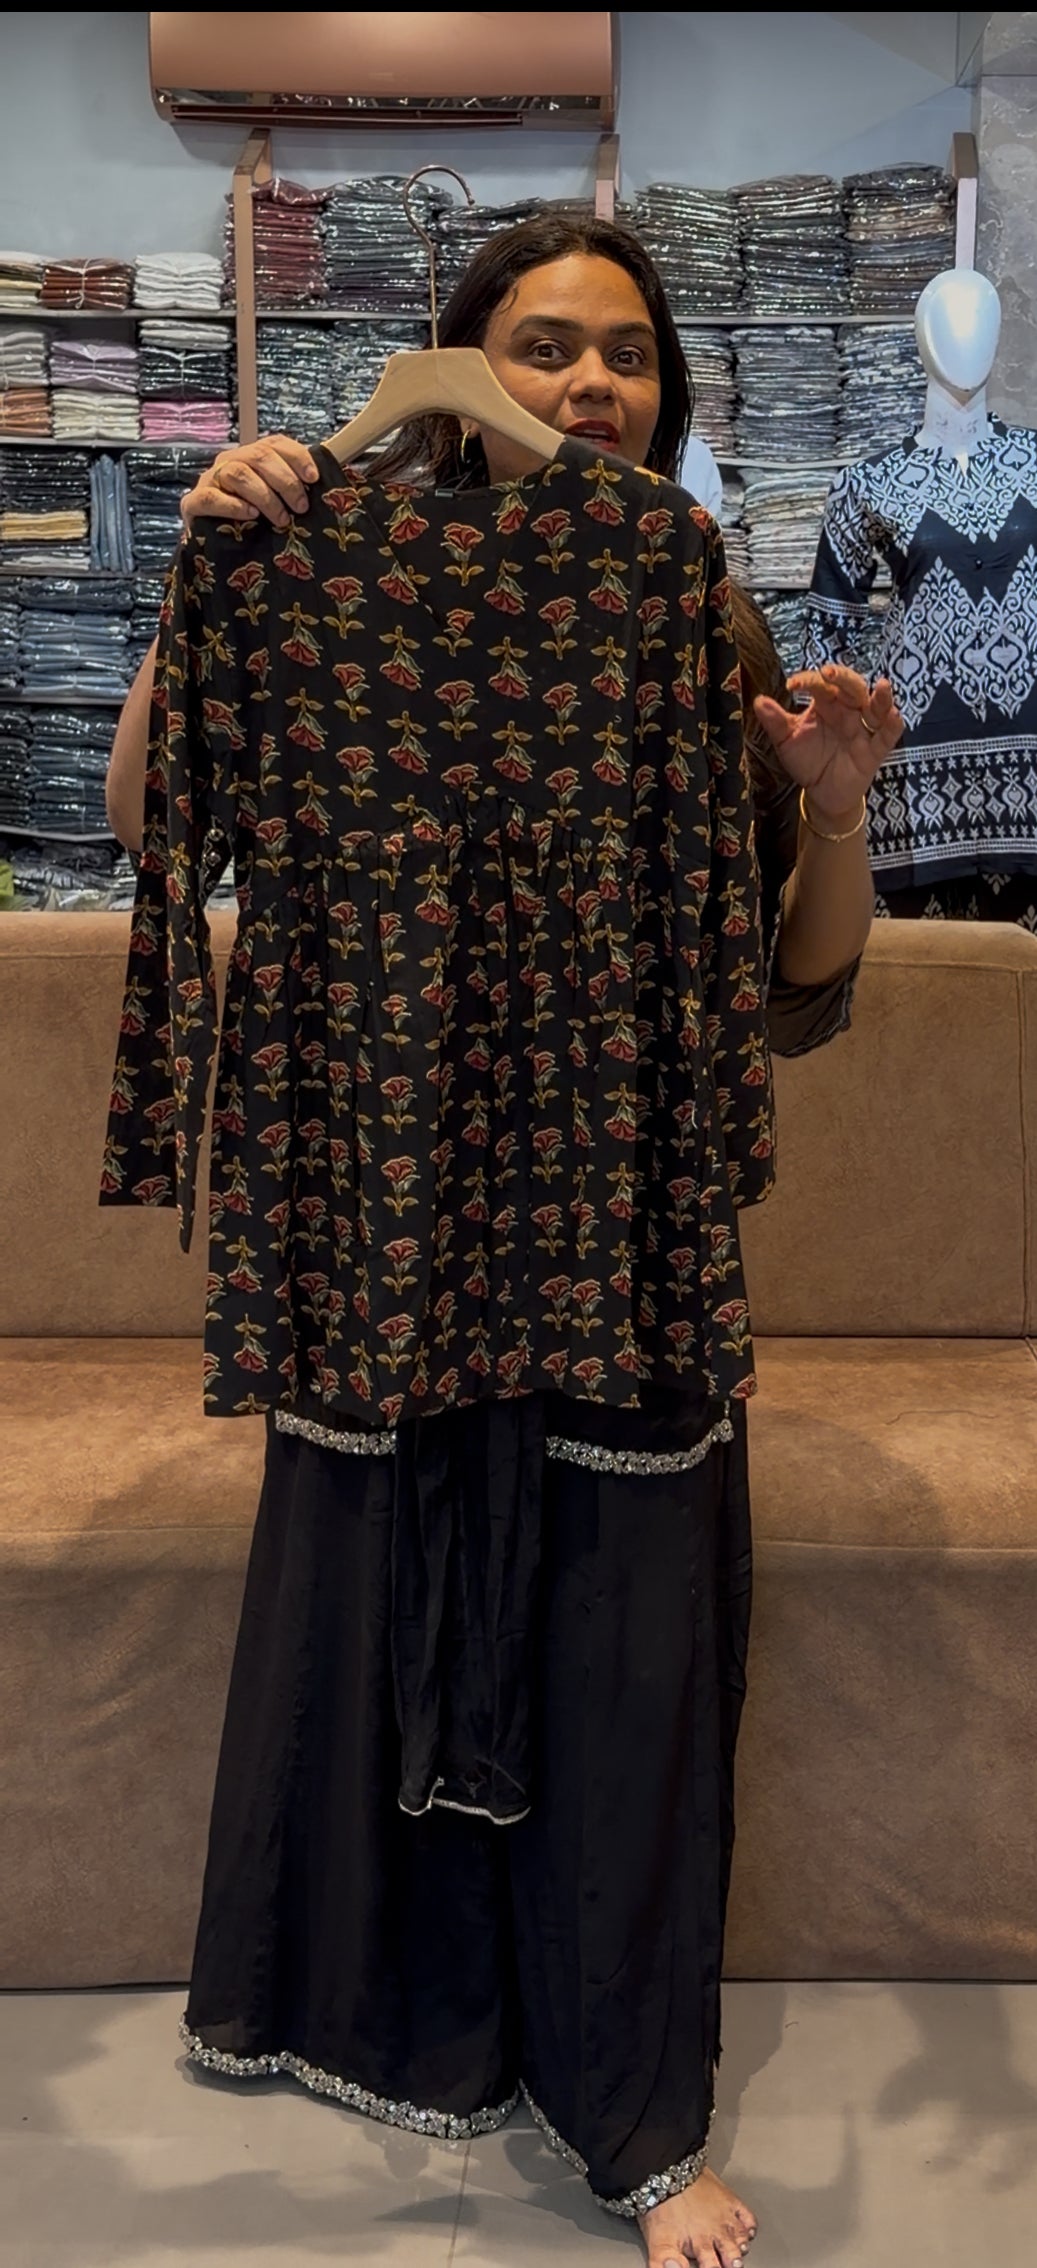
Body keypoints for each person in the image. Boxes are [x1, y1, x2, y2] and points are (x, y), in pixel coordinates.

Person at [105, 215, 901, 2268]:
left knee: (626, 1643)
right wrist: (209, 568)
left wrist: (830, 801)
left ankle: (631, 2105)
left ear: (665, 392)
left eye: (625, 353)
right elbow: (153, 819)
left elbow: (794, 986)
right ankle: (381, 2021)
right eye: (544, 344)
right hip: (382, 1209)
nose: (587, 385)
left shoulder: (678, 590)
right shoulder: (293, 551)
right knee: (383, 1595)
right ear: (454, 357)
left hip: (615, 1217)